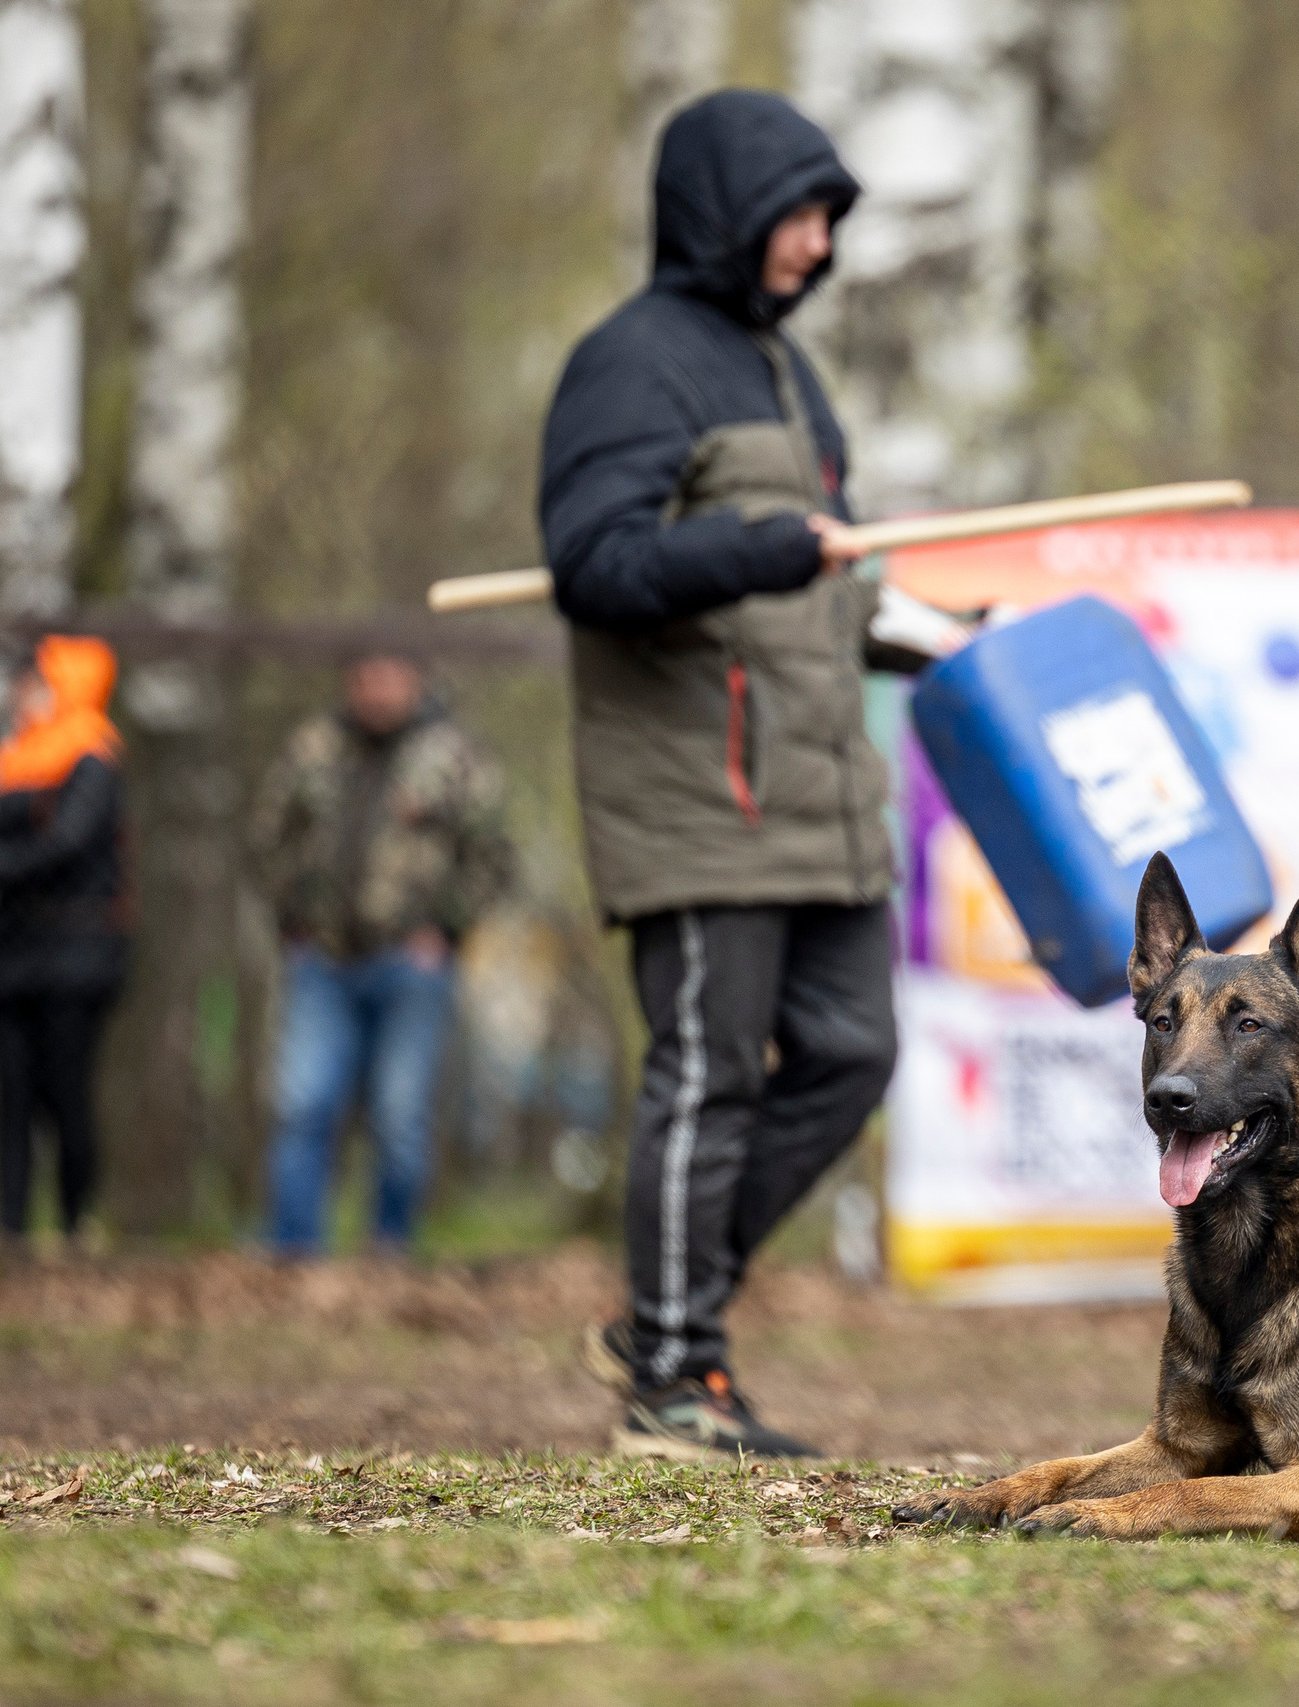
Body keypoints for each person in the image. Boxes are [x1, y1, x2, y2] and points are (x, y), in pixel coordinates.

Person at [540, 89, 923, 1461]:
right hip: (701, 796)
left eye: (827, 218)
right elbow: (597, 565)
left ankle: (663, 1310)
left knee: (851, 1050)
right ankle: (676, 1374)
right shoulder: (630, 365)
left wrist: (930, 635)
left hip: (820, 800)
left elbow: (825, 574)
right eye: (797, 214)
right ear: (723, 212)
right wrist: (760, 546)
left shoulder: (786, 372)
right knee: (705, 1073)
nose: (816, 243)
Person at [249, 651, 513, 1256]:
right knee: (303, 1103)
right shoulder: (313, 749)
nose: (378, 691)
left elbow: (494, 857)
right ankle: (292, 1249)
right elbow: (268, 840)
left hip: (411, 964)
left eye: (392, 677)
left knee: (400, 1116)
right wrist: (292, 920)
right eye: (366, 677)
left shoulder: (453, 758)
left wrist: (446, 930)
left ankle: (388, 1250)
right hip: (323, 960)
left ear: (417, 681)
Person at [0, 636, 129, 1249]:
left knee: (66, 1090)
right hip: (14, 953)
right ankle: (9, 1229)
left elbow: (66, 843)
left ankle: (74, 1225)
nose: (18, 696)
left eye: (31, 682)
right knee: (12, 1094)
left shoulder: (93, 755)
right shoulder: (13, 759)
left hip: (78, 951)